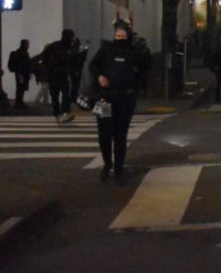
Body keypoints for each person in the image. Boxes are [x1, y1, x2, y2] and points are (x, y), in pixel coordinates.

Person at [88, 19, 147, 181]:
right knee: (104, 133)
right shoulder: (106, 50)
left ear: (127, 36)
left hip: (125, 99)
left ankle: (119, 169)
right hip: (104, 98)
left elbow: (143, 73)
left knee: (121, 135)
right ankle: (107, 164)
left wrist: (135, 87)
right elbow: (93, 66)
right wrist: (100, 77)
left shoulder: (134, 53)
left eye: (123, 35)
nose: (120, 38)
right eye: (118, 35)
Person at [43, 29, 78, 123]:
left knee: (56, 95)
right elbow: (73, 60)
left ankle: (58, 113)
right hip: (61, 74)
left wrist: (48, 67)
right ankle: (64, 113)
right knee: (65, 94)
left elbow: (44, 57)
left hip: (53, 74)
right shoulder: (68, 48)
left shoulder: (54, 45)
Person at [7, 39, 33, 109]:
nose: (28, 46)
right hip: (21, 74)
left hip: (20, 73)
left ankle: (19, 103)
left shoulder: (20, 52)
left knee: (20, 88)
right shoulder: (23, 53)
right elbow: (26, 63)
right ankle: (19, 103)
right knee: (21, 89)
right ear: (24, 44)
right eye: (27, 44)